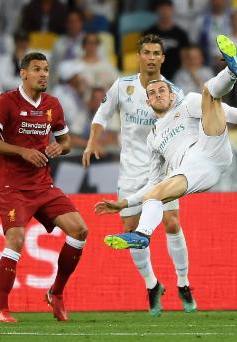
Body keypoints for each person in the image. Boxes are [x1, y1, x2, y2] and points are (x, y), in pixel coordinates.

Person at [94, 36, 237, 258]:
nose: (157, 95)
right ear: (148, 103)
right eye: (152, 94)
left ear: (171, 95)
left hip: (210, 147)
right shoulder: (153, 138)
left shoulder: (186, 104)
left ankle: (233, 71)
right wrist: (123, 203)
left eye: (162, 91)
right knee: (153, 195)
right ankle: (142, 236)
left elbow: (224, 110)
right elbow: (153, 183)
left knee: (208, 94)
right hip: (191, 170)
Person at [83, 34, 195, 316]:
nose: (151, 57)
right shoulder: (123, 86)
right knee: (130, 231)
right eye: (146, 52)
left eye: (157, 52)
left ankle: (183, 282)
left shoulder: (174, 92)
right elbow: (101, 114)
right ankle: (152, 284)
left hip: (164, 168)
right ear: (139, 56)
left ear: (163, 58)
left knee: (171, 223)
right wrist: (92, 141)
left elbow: (189, 122)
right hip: (131, 170)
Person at [0, 52, 88, 323]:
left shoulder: (53, 104)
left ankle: (56, 293)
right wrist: (21, 152)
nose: (43, 74)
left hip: (43, 185)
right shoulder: (6, 101)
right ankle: (1, 309)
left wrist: (58, 147)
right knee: (15, 239)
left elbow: (66, 142)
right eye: (37, 69)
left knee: (79, 230)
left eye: (47, 70)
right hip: (13, 186)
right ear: (23, 73)